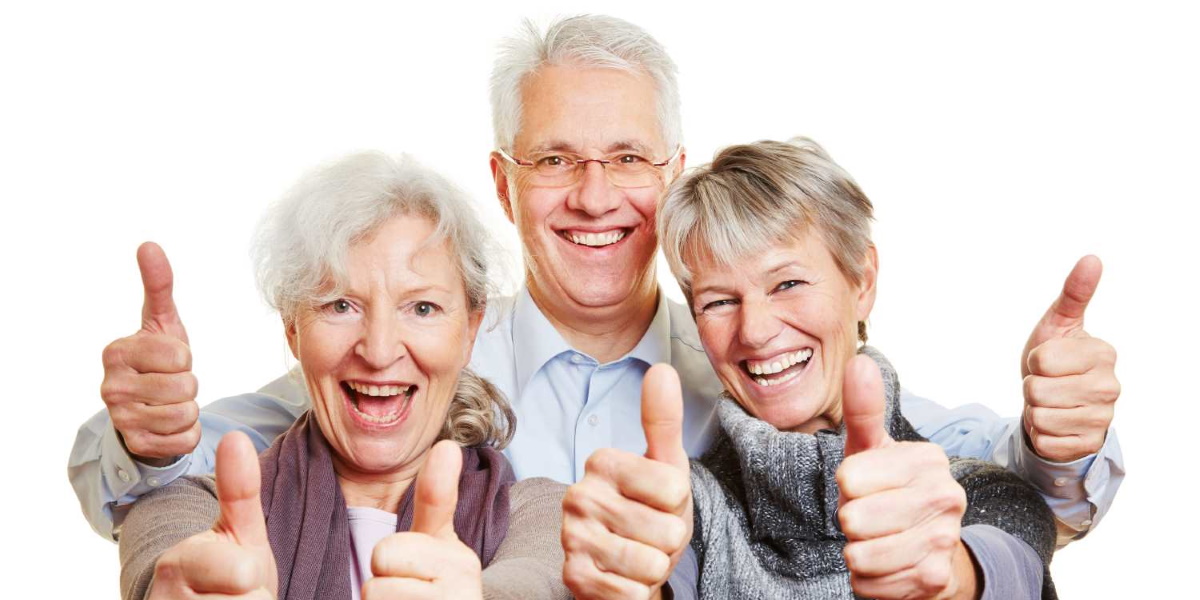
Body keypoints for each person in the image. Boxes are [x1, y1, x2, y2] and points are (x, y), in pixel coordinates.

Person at [69, 14, 1121, 554]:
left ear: (669, 175)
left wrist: (1059, 446)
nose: (593, 195)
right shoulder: (424, 357)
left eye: (627, 159)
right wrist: (144, 437)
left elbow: (974, 465)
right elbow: (210, 451)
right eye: (555, 160)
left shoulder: (752, 359)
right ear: (504, 182)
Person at [563, 138, 1059, 599]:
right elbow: (664, 570)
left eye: (788, 284)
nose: (754, 330)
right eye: (718, 302)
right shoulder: (684, 506)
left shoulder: (977, 490)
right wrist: (638, 579)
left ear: (862, 283)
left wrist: (951, 573)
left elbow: (1012, 565)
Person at [117, 152, 570, 600]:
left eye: (422, 308)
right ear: (292, 327)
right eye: (340, 305)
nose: (378, 350)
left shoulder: (538, 514)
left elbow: (537, 582)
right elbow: (165, 562)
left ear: (470, 331)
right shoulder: (196, 508)